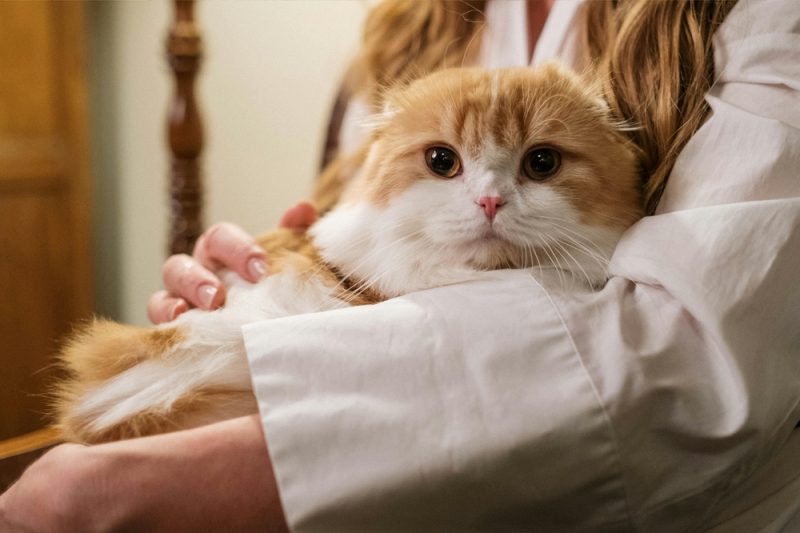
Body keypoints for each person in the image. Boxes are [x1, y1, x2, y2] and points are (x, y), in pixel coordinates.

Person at [2, 0, 799, 530]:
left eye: (543, 162)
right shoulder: (405, 27)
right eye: (449, 160)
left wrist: (164, 476)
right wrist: (258, 266)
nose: (486, 198)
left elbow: (694, 359)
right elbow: (361, 222)